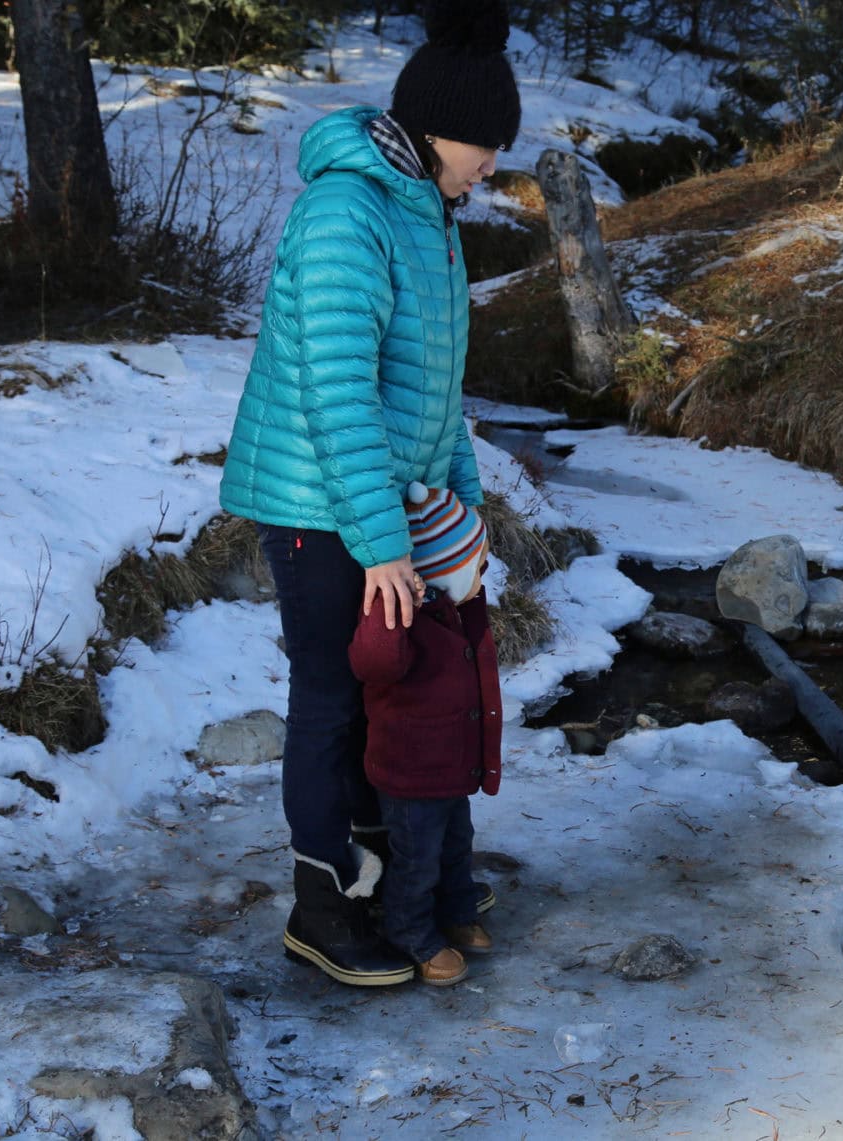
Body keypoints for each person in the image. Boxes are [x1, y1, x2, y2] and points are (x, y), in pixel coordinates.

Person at [217, 0, 520, 987]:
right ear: (437, 131)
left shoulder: (426, 217)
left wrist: (463, 518)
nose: (491, 165)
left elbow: (435, 399)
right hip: (318, 506)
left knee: (393, 688)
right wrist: (385, 543)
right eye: (487, 144)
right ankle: (321, 903)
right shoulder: (349, 211)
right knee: (334, 700)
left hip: (381, 504)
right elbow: (338, 390)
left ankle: (394, 877)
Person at [349, 485, 504, 987]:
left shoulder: (457, 611)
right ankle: (411, 934)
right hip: (410, 773)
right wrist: (390, 607)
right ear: (443, 574)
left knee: (458, 844)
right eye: (476, 567)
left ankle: (457, 912)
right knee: (417, 858)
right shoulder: (402, 622)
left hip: (452, 768)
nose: (484, 577)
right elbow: (372, 663)